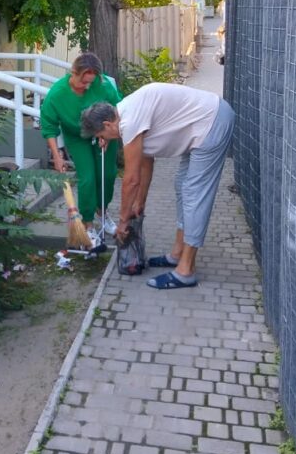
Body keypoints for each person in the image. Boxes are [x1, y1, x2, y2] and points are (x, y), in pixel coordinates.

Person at [80, 83, 235, 288]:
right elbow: (146, 161)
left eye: (100, 136)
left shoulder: (130, 120)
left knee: (194, 193)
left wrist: (123, 221)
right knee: (182, 185)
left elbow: (131, 179)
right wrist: (139, 203)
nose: (102, 141)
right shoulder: (126, 114)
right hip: (203, 125)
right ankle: (177, 254)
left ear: (108, 124)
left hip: (212, 122)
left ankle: (186, 270)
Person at [40, 52, 121, 242]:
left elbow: (118, 108)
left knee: (107, 175)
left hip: (105, 132)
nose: (87, 86)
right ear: (73, 73)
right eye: (83, 82)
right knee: (88, 178)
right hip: (77, 137)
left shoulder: (103, 85)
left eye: (91, 83)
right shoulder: (57, 94)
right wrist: (57, 156)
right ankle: (88, 223)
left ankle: (102, 212)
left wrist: (108, 135)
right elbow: (49, 126)